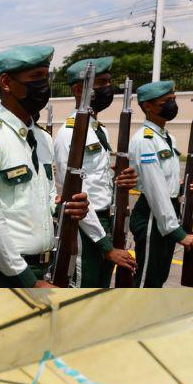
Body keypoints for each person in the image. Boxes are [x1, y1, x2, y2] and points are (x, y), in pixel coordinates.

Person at [0, 46, 91, 287]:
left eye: (46, 76)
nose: (44, 86)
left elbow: (47, 196)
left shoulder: (41, 138)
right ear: (6, 82)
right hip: (3, 274)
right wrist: (29, 282)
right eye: (35, 77)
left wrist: (66, 207)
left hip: (42, 269)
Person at [53, 57, 137, 287]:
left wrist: (120, 180)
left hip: (105, 221)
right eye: (101, 82)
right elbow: (76, 195)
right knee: (82, 292)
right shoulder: (69, 134)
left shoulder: (99, 130)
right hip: (84, 228)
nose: (108, 88)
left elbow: (97, 180)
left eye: (109, 81)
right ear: (80, 89)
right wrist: (104, 245)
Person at [129, 80, 193, 287]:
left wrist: (185, 188)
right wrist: (178, 232)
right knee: (147, 280)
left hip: (166, 211)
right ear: (148, 106)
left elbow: (165, 181)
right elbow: (155, 189)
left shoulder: (166, 137)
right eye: (166, 101)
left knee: (159, 277)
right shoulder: (145, 140)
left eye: (173, 99)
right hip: (153, 214)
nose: (172, 104)